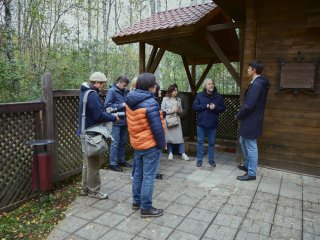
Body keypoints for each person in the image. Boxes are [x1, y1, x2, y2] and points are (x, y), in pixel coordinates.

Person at [126, 72, 166, 218]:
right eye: (154, 84)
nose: (156, 86)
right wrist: (162, 144)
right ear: (150, 87)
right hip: (150, 145)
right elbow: (157, 128)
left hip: (137, 143)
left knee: (138, 174)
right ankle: (146, 208)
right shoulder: (151, 103)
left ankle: (136, 202)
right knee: (149, 177)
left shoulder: (130, 99)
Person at [77, 72, 119, 199]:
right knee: (94, 165)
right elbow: (98, 115)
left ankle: (85, 189)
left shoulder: (84, 93)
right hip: (92, 134)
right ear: (96, 83)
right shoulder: (92, 95)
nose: (103, 86)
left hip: (84, 132)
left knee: (86, 164)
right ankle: (94, 191)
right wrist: (112, 117)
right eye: (102, 84)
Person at [236, 60, 269, 181]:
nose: (247, 70)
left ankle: (251, 173)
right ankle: (247, 166)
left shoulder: (257, 85)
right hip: (249, 119)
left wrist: (238, 115)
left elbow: (249, 105)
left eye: (249, 68)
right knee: (243, 141)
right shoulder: (256, 83)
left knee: (251, 145)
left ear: (254, 69)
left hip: (252, 119)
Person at [192, 78, 225, 168]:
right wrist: (205, 106)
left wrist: (215, 107)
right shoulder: (200, 96)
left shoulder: (218, 96)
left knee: (211, 143)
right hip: (201, 123)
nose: (211, 85)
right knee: (200, 142)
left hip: (212, 123)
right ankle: (199, 160)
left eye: (212, 84)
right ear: (205, 86)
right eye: (209, 84)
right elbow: (194, 107)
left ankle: (211, 160)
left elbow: (223, 108)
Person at [104, 75, 132, 172]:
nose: (125, 87)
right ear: (119, 82)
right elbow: (107, 107)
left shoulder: (125, 91)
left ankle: (121, 160)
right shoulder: (112, 91)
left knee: (123, 142)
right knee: (115, 143)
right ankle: (113, 163)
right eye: (124, 85)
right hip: (116, 121)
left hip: (125, 120)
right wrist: (121, 105)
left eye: (126, 86)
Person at [161, 84, 189, 161]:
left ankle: (183, 153)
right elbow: (162, 110)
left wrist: (178, 110)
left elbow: (181, 110)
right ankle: (170, 153)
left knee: (180, 137)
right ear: (171, 91)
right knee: (169, 138)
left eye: (177, 90)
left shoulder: (178, 99)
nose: (176, 92)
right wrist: (171, 110)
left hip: (177, 120)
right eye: (175, 90)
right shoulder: (165, 99)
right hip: (169, 120)